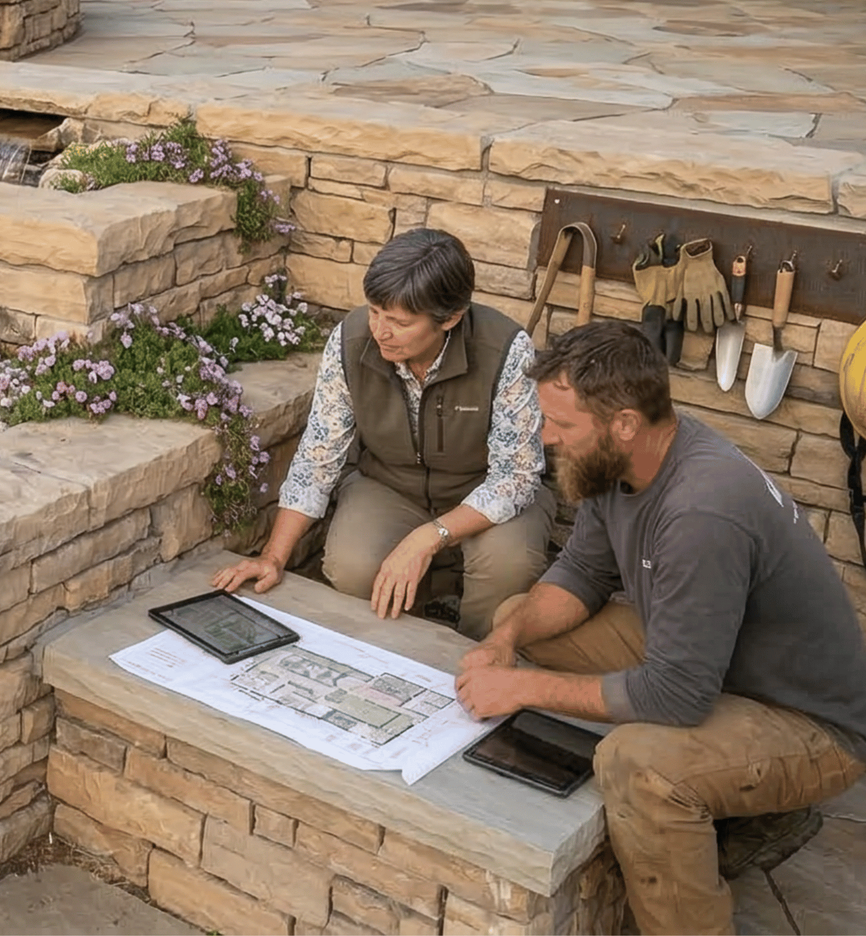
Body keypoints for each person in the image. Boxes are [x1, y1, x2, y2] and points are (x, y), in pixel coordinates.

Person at [455, 321, 866, 936]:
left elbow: (675, 695)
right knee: (520, 617)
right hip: (716, 664)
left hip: (809, 722)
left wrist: (520, 689)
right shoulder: (625, 459)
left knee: (638, 766)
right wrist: (503, 641)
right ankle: (734, 812)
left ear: (623, 423)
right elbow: (582, 572)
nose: (546, 437)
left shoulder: (702, 510)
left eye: (561, 424)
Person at [214, 227, 551, 639]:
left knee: (510, 565)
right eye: (375, 311)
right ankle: (404, 646)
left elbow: (516, 477)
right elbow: (318, 457)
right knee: (351, 566)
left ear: (450, 318)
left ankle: (475, 649)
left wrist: (430, 537)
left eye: (400, 322)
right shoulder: (350, 339)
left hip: (481, 490)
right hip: (388, 485)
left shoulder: (507, 349)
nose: (379, 331)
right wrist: (273, 557)